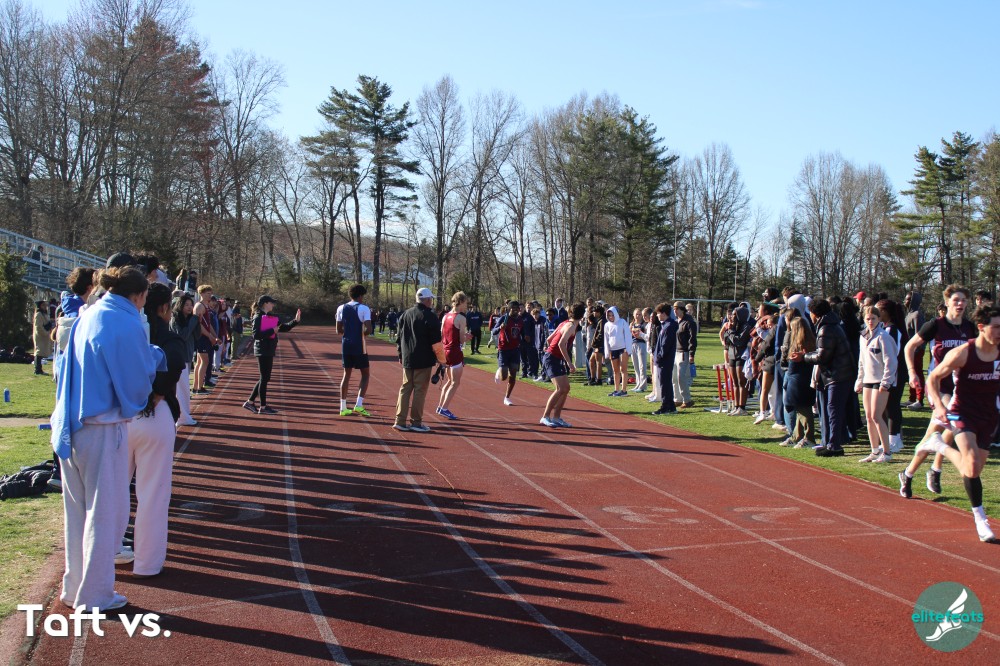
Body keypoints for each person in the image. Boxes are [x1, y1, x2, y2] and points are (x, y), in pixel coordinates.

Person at [50, 266, 163, 611]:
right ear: (139, 295)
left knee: (77, 513)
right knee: (104, 514)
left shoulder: (90, 312)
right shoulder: (124, 321)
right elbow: (136, 384)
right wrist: (154, 357)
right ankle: (95, 595)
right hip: (100, 426)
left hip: (71, 423)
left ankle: (75, 587)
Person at [915, 305, 1000, 543]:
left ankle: (939, 445)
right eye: (996, 327)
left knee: (974, 469)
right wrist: (940, 407)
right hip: (962, 412)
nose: (999, 332)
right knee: (971, 465)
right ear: (981, 328)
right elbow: (933, 378)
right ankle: (981, 520)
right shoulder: (963, 353)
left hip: (989, 415)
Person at [120, 282, 186, 576]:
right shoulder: (169, 338)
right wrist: (155, 394)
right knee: (153, 495)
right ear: (163, 308)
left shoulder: (126, 331)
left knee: (113, 490)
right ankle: (147, 564)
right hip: (155, 416)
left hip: (121, 415)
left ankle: (108, 552)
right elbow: (173, 367)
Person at [900, 285, 976, 496]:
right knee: (950, 422)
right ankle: (933, 469)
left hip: (961, 386)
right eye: (956, 300)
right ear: (947, 302)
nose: (960, 304)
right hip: (938, 385)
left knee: (936, 434)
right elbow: (909, 347)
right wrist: (912, 373)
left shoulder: (970, 328)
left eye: (963, 300)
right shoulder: (936, 325)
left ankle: (910, 473)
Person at [790, 299, 853, 457]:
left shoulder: (826, 328)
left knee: (833, 410)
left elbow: (823, 356)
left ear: (814, 313)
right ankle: (831, 443)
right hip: (837, 374)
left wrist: (804, 357)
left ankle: (834, 446)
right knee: (832, 410)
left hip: (837, 375)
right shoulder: (831, 325)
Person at [394, 288, 445, 432]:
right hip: (423, 359)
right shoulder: (430, 316)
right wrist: (442, 360)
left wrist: (400, 355)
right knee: (419, 390)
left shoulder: (405, 314)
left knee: (405, 388)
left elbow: (399, 337)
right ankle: (416, 422)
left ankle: (400, 420)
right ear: (428, 300)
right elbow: (436, 342)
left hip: (407, 357)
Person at [243, 296, 301, 415]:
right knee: (264, 378)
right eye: (271, 303)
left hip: (268, 349)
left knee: (265, 378)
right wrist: (271, 331)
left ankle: (250, 402)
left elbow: (283, 327)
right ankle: (263, 407)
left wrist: (295, 321)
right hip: (262, 350)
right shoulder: (258, 316)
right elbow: (256, 335)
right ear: (265, 303)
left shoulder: (270, 317)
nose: (273, 305)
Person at [855, 306, 897, 463]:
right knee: (868, 417)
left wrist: (886, 382)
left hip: (880, 381)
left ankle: (887, 452)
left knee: (876, 416)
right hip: (868, 380)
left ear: (879, 319)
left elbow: (891, 361)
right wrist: (859, 380)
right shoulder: (863, 336)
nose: (870, 321)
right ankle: (874, 450)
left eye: (873, 318)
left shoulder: (883, 337)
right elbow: (861, 361)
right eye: (868, 319)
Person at [540, 302, 586, 427]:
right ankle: (545, 416)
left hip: (554, 357)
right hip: (552, 358)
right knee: (560, 389)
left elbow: (549, 339)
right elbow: (561, 344)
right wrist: (569, 363)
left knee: (566, 388)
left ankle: (556, 417)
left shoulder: (564, 323)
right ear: (582, 316)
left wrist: (552, 351)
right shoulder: (571, 326)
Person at [336, 284, 373, 417]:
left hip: (346, 344)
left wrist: (349, 333)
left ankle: (343, 407)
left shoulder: (341, 308)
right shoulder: (364, 308)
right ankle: (358, 405)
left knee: (346, 374)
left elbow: (338, 330)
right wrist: (361, 334)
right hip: (359, 345)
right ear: (360, 296)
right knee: (365, 374)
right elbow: (369, 329)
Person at [780, 314, 817, 447]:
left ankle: (809, 437)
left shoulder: (800, 345)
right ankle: (797, 436)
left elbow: (790, 363)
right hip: (804, 378)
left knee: (803, 409)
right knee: (800, 408)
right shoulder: (811, 342)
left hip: (799, 379)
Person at [436, 291, 472, 419]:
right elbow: (461, 340)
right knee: (455, 383)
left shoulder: (445, 316)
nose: (466, 305)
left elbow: (441, 334)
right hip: (455, 351)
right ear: (460, 302)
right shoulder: (461, 318)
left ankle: (440, 406)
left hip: (445, 350)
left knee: (450, 381)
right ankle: (444, 408)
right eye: (466, 302)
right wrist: (467, 337)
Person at [170, 294, 199, 427]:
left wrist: (196, 321)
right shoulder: (175, 319)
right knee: (182, 389)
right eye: (186, 305)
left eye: (191, 305)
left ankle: (184, 414)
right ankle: (182, 417)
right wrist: (193, 321)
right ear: (180, 305)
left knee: (184, 388)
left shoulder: (191, 320)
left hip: (187, 356)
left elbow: (196, 335)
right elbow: (183, 336)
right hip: (178, 357)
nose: (189, 307)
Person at [492, 301, 525, 405]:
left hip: (515, 350)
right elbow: (493, 331)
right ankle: (499, 371)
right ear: (509, 309)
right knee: (504, 377)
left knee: (513, 373)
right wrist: (500, 327)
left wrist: (526, 338)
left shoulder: (520, 320)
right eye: (513, 308)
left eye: (517, 308)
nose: (515, 310)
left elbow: (522, 333)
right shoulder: (504, 318)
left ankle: (507, 397)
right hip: (504, 349)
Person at [651, 303, 678, 415]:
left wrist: (659, 356)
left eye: (658, 313)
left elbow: (665, 345)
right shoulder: (665, 325)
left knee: (664, 383)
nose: (657, 315)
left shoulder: (669, 326)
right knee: (665, 383)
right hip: (663, 359)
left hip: (665, 360)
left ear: (664, 313)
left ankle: (665, 406)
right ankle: (671, 406)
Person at [192, 285, 217, 394]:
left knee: (200, 362)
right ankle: (199, 387)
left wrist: (215, 336)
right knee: (204, 361)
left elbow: (208, 324)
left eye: (211, 293)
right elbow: (199, 325)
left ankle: (196, 386)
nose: (210, 296)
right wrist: (210, 336)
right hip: (201, 337)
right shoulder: (199, 306)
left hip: (205, 337)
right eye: (207, 293)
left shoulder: (206, 307)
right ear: (201, 294)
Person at [903, 292, 926, 409]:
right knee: (911, 374)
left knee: (918, 373)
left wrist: (917, 349)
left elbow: (919, 334)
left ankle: (919, 399)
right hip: (909, 350)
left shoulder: (917, 315)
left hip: (916, 350)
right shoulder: (909, 314)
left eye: (907, 299)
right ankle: (911, 398)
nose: (905, 301)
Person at [674, 301, 697, 408]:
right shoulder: (676, 321)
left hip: (684, 352)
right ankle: (677, 399)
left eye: (677, 309)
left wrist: (692, 354)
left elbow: (692, 339)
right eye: (674, 309)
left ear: (682, 309)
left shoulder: (689, 322)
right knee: (674, 377)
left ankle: (687, 399)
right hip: (676, 351)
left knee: (681, 377)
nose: (675, 311)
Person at [604, 306, 630, 397]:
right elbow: (606, 339)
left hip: (623, 349)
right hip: (613, 349)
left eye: (612, 315)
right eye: (609, 315)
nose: (611, 317)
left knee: (623, 369)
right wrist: (607, 352)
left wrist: (628, 349)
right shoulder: (607, 325)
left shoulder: (622, 322)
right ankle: (616, 389)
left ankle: (624, 390)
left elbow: (627, 335)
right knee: (615, 371)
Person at [629, 308, 648, 392]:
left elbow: (646, 336)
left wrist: (639, 336)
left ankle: (643, 386)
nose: (638, 316)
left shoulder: (644, 325)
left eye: (640, 314)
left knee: (642, 366)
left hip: (641, 344)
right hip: (633, 344)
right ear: (633, 315)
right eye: (636, 314)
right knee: (636, 366)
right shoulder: (632, 324)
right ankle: (638, 384)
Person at [33, 301, 53, 375]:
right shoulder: (38, 314)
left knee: (41, 353)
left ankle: (39, 369)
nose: (45, 307)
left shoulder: (44, 314)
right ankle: (37, 369)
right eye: (43, 305)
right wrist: (45, 332)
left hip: (44, 336)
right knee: (39, 352)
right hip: (40, 336)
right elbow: (38, 327)